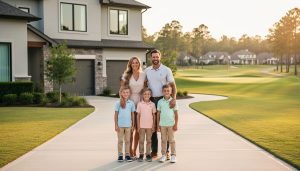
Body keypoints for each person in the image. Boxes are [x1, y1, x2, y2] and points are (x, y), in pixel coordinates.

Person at [144, 49, 177, 159]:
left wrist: (174, 99)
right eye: (153, 57)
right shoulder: (147, 70)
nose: (155, 59)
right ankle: (154, 151)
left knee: (165, 126)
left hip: (164, 100)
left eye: (157, 57)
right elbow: (144, 84)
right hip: (151, 100)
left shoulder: (166, 70)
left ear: (160, 57)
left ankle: (167, 151)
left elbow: (173, 85)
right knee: (153, 126)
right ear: (151, 58)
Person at [120, 56, 147, 159]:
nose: (135, 64)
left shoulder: (143, 75)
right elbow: (121, 89)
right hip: (129, 104)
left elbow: (145, 89)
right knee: (131, 129)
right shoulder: (126, 75)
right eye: (133, 63)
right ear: (130, 64)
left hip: (140, 104)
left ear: (139, 64)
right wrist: (123, 101)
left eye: (136, 63)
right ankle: (130, 151)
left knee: (138, 129)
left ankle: (134, 151)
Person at [157, 84, 178, 163]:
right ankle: (163, 155)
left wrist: (176, 124)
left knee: (172, 140)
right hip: (162, 125)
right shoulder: (160, 102)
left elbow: (176, 114)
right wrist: (157, 125)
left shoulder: (173, 102)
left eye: (168, 91)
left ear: (171, 91)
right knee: (163, 140)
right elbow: (158, 114)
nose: (166, 92)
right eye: (165, 91)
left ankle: (173, 155)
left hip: (171, 125)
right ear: (162, 92)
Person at [114, 86, 135, 162]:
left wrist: (133, 125)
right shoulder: (118, 103)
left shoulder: (131, 103)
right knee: (120, 140)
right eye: (124, 92)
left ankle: (127, 155)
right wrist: (116, 125)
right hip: (120, 126)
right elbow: (116, 115)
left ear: (129, 93)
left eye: (127, 92)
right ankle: (120, 155)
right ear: (121, 93)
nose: (125, 94)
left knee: (127, 141)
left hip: (128, 126)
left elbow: (132, 114)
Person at [136, 88, 156, 162]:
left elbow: (154, 116)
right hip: (141, 126)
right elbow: (138, 115)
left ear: (150, 95)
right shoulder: (140, 104)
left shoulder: (152, 104)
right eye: (145, 94)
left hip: (149, 126)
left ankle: (148, 154)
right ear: (142, 95)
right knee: (141, 140)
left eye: (148, 94)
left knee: (149, 140)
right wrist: (138, 126)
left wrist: (153, 125)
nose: (146, 95)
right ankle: (141, 154)